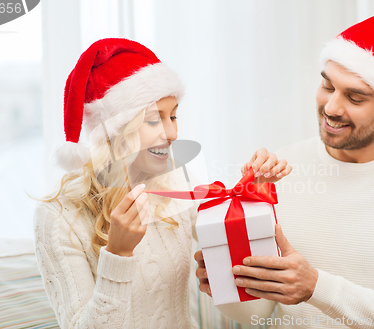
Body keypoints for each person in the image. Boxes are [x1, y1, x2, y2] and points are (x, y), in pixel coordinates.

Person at [195, 14, 374, 328]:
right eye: (327, 85)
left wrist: (316, 287)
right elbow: (264, 313)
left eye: (354, 97)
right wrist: (229, 286)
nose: (332, 107)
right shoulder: (280, 169)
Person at [34, 38, 291, 328]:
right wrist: (118, 254)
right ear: (117, 130)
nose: (172, 133)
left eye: (174, 116)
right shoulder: (58, 217)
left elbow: (240, 255)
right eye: (155, 120)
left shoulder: (175, 182)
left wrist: (250, 192)